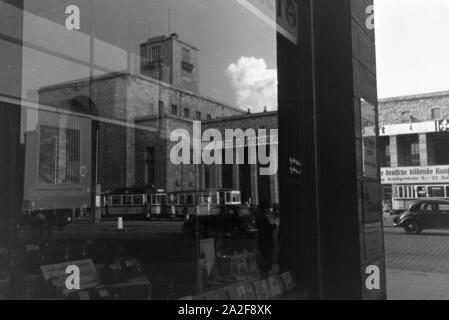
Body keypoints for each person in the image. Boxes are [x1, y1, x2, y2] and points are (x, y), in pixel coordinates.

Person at [255, 206, 277, 278]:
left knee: (263, 257)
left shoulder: (258, 218)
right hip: (267, 240)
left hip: (262, 240)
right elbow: (268, 227)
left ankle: (264, 272)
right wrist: (274, 225)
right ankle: (266, 272)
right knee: (268, 257)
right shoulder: (263, 218)